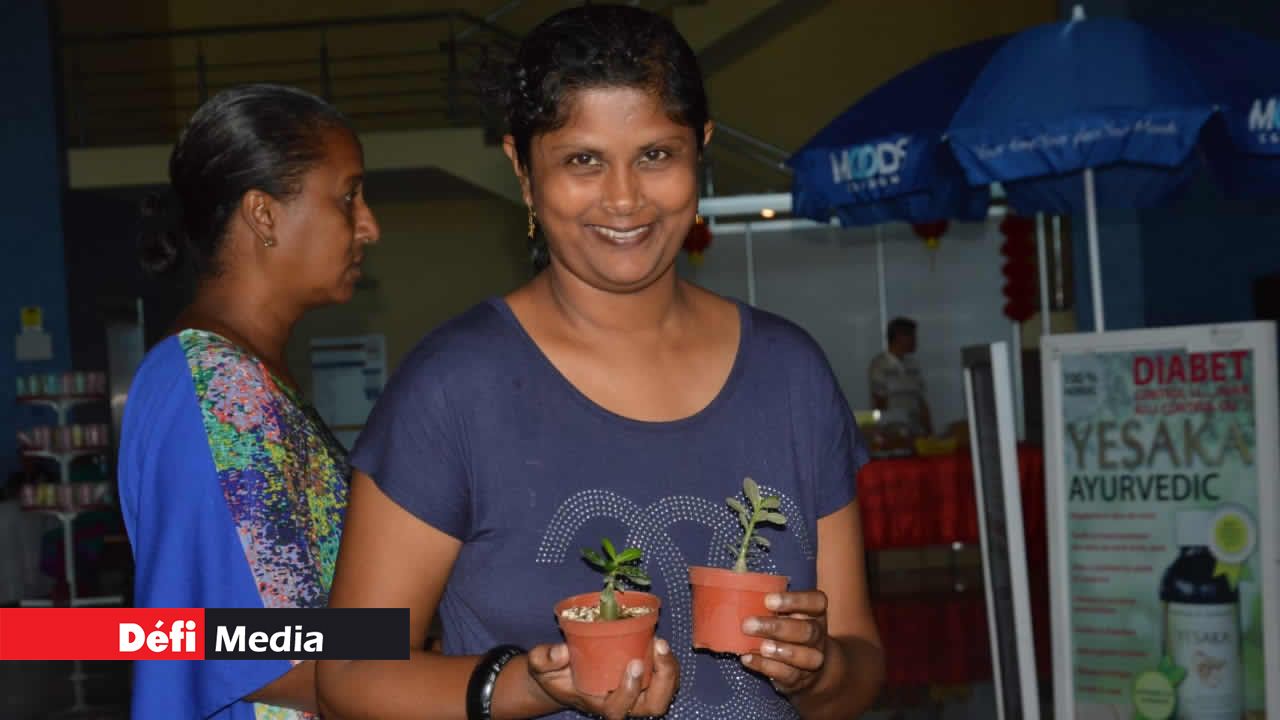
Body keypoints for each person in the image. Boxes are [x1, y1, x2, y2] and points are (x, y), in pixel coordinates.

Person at [316, 6, 884, 720]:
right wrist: (526, 686)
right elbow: (349, 674)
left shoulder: (791, 375)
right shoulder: (452, 391)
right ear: (523, 170)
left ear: (701, 149)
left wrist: (820, 670)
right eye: (582, 160)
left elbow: (859, 660)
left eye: (657, 155)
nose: (624, 198)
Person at [117, 83, 380, 719]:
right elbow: (257, 652)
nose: (369, 226)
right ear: (263, 214)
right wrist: (481, 671)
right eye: (348, 197)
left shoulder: (245, 377)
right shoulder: (219, 391)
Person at [868, 317, 933, 438]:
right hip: (893, 434)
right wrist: (882, 434)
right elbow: (880, 401)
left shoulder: (913, 364)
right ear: (899, 337)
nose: (915, 340)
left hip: (916, 432)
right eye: (911, 336)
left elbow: (921, 401)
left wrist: (929, 431)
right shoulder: (879, 365)